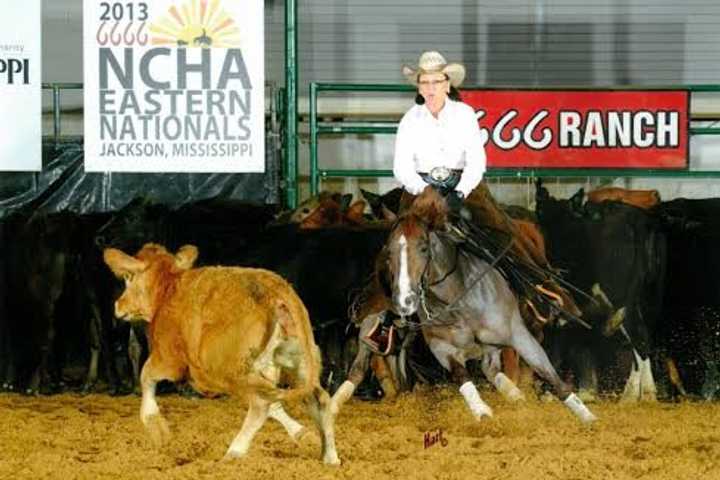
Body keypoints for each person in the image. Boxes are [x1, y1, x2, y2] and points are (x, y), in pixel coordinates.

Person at [363, 51, 580, 355]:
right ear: (419, 86)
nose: (429, 88)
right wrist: (423, 189)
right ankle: (390, 318)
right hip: (419, 189)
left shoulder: (463, 115)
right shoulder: (410, 120)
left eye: (435, 81)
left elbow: (477, 161)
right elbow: (401, 167)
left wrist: (459, 191)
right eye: (424, 82)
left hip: (465, 184)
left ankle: (540, 289)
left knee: (502, 230)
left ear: (447, 83)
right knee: (398, 246)